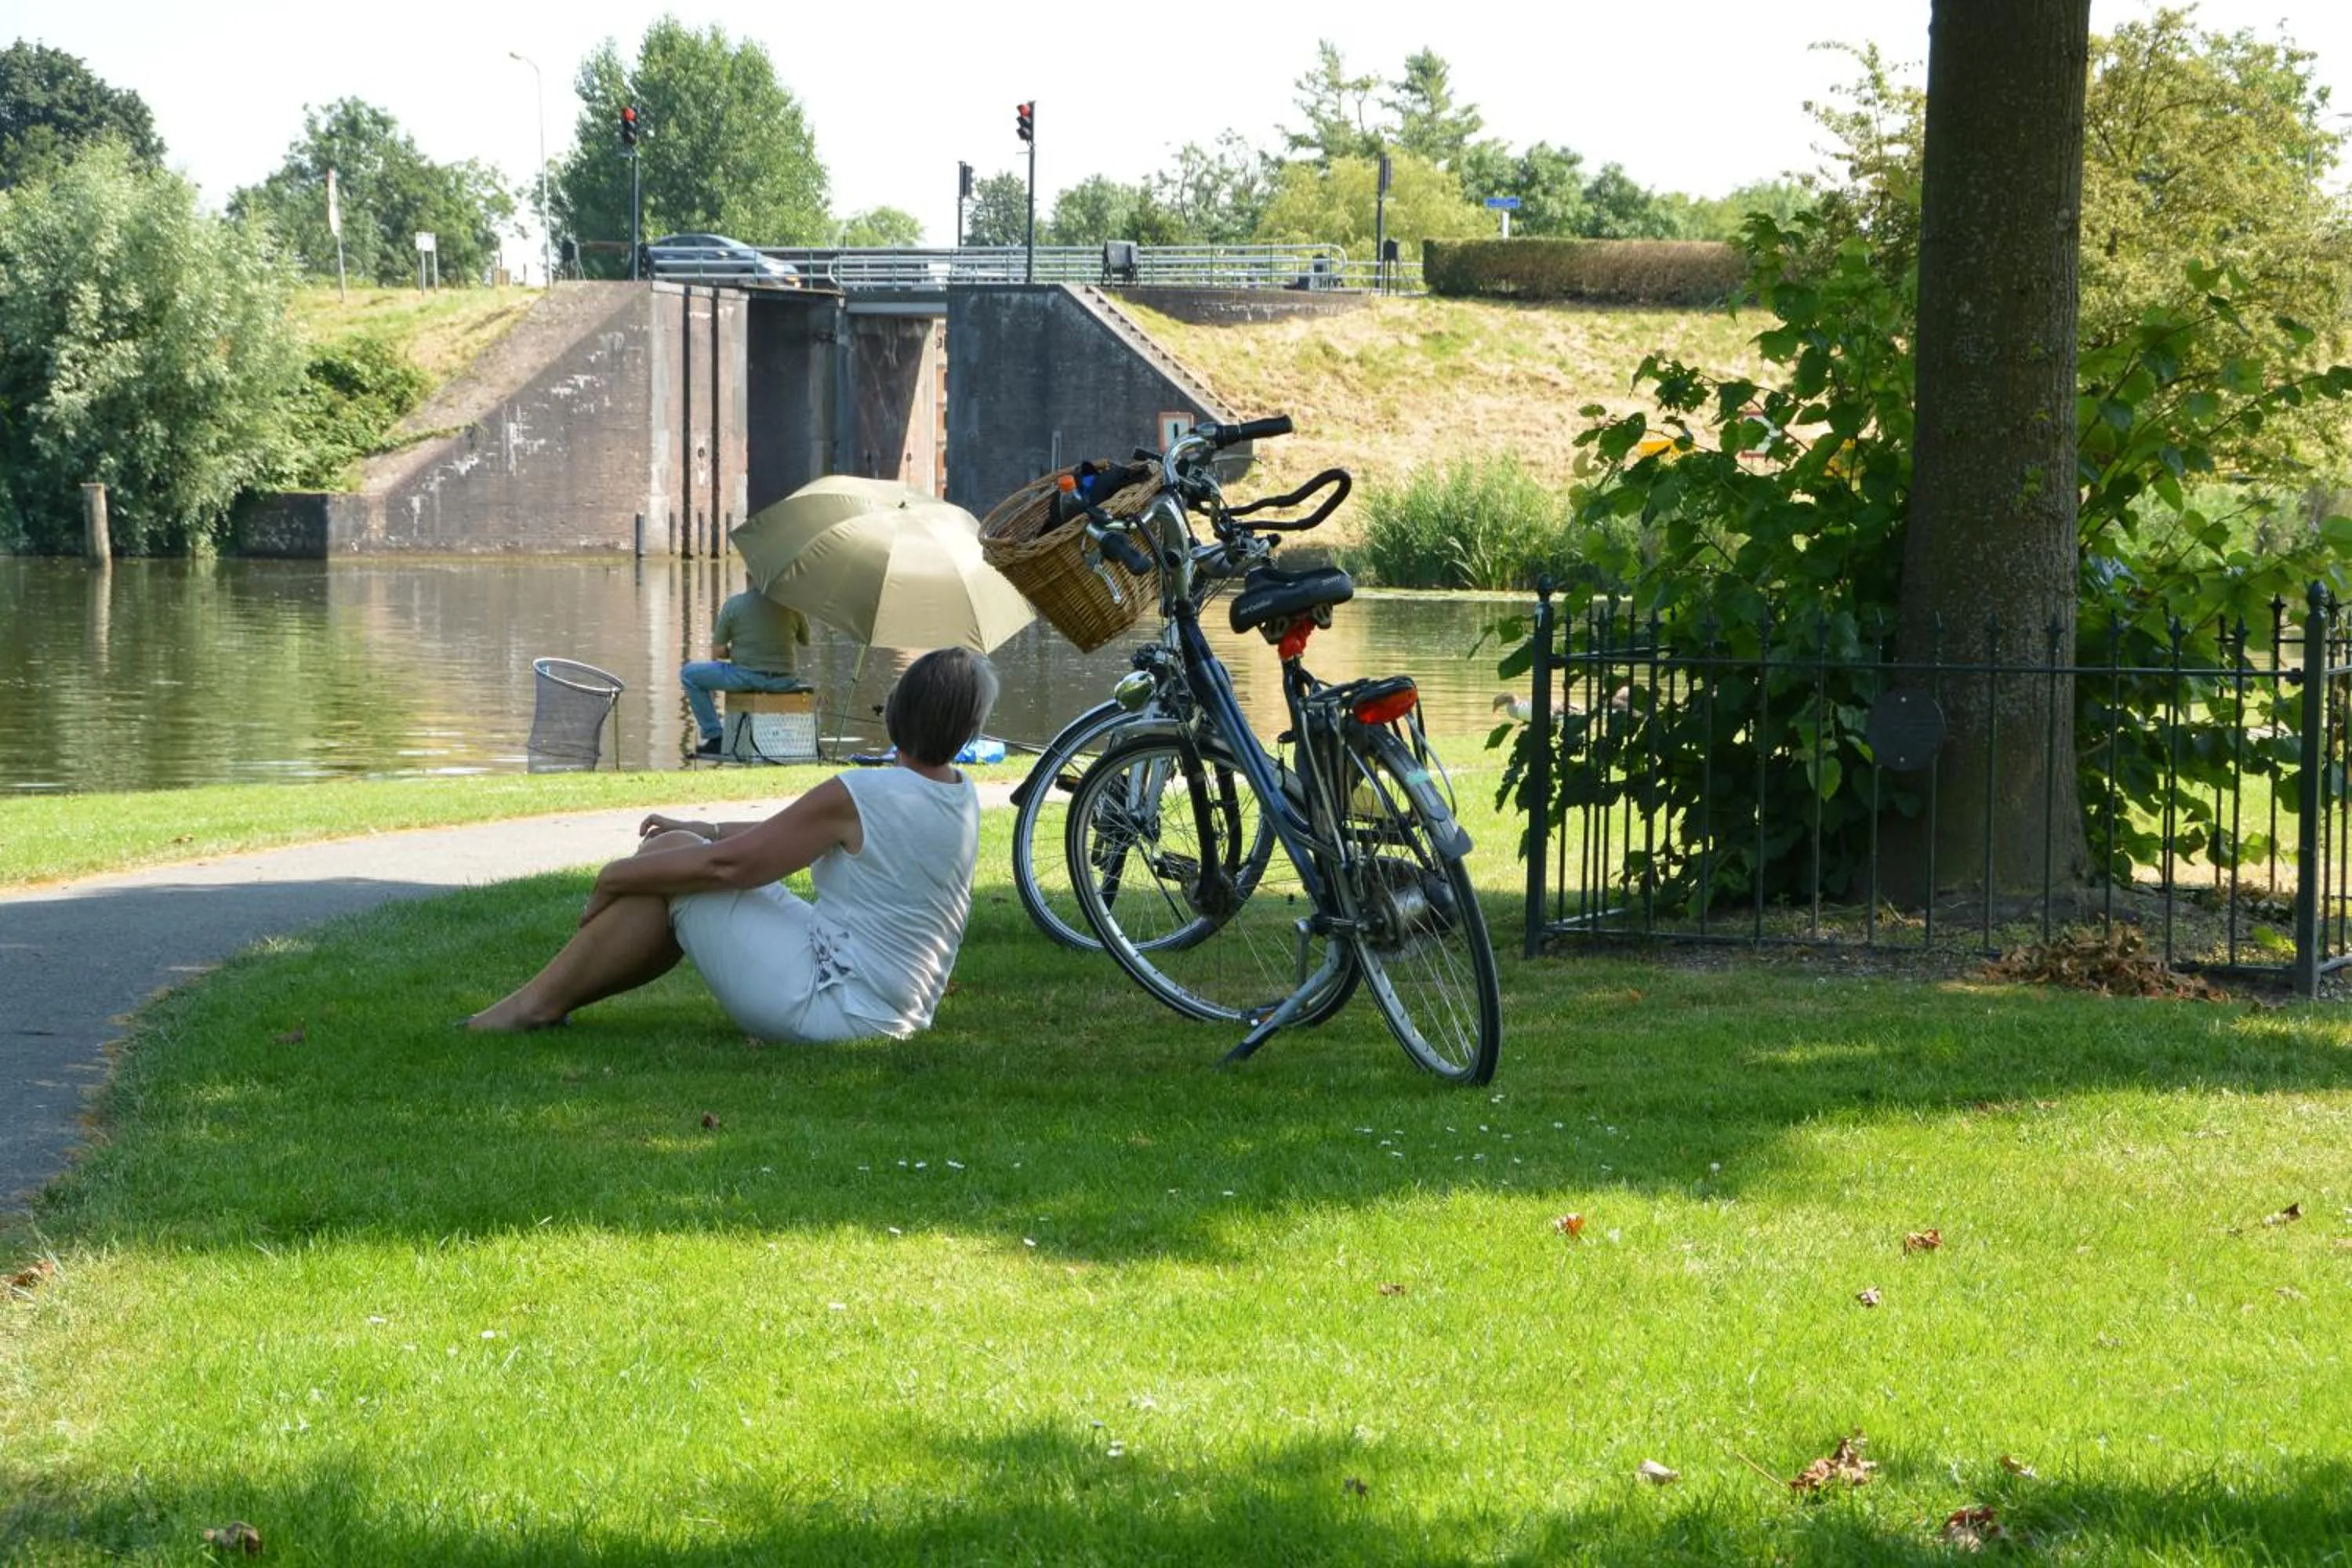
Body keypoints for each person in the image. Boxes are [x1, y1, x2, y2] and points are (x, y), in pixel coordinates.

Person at [470, 647, 996, 1040]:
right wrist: (704, 831)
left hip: (840, 1006)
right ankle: (544, 1004)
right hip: (885, 1005)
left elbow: (730, 868)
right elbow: (790, 839)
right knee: (676, 850)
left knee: (683, 873)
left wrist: (612, 877)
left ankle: (530, 1007)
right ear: (967, 728)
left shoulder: (865, 793)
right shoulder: (956, 795)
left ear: (901, 710)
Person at [683, 576, 813, 758]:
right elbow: (806, 641)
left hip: (745, 676)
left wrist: (735, 652)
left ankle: (715, 736)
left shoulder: (734, 605)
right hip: (785, 681)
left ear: (747, 577)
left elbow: (718, 651)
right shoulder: (792, 605)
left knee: (689, 674)